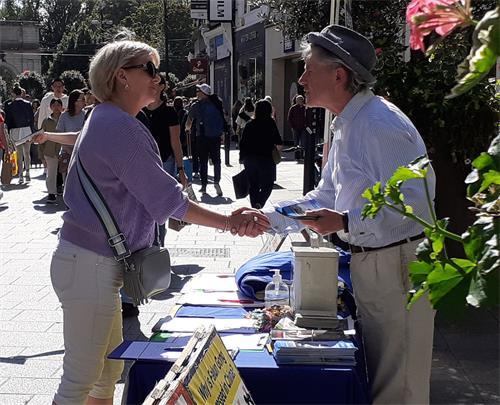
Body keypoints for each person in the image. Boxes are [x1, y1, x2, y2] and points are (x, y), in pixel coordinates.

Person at [34, 39, 268, 405]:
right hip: (90, 265)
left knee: (105, 375)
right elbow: (167, 200)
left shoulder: (106, 117)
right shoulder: (119, 125)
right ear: (122, 76)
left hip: (90, 262)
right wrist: (228, 221)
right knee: (81, 380)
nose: (159, 78)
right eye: (150, 69)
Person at [259, 25, 436, 404]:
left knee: (398, 386)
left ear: (338, 75)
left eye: (308, 69)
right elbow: (325, 196)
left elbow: (417, 203)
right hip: (376, 263)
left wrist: (346, 222)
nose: (301, 79)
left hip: (397, 264)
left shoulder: (377, 123)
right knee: (385, 379)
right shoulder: (350, 122)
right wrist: (270, 218)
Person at [143, 73, 188, 246]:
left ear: (162, 87)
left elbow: (175, 142)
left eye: (156, 82)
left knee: (160, 206)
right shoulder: (139, 110)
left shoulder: (169, 112)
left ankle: (158, 245)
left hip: (165, 162)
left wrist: (181, 169)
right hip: (143, 163)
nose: (152, 84)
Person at [239, 99, 283, 208]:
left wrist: (241, 157)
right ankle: (260, 202)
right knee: (268, 184)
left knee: (253, 185)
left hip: (249, 158)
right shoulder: (270, 123)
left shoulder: (249, 124)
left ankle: (255, 206)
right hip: (266, 158)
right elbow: (278, 141)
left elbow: (243, 142)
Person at [185, 84, 225, 196]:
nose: (197, 93)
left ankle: (203, 186)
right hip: (215, 137)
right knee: (217, 161)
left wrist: (187, 129)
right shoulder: (217, 103)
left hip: (202, 137)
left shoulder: (196, 106)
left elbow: (189, 121)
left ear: (203, 93)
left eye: (198, 91)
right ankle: (216, 182)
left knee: (203, 162)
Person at [4, 86, 34, 184]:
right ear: (21, 93)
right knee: (27, 153)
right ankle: (28, 172)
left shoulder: (9, 105)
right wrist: (32, 131)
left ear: (13, 93)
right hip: (27, 130)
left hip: (15, 131)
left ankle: (21, 175)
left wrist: (8, 133)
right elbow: (31, 119)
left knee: (19, 154)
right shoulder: (28, 104)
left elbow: (8, 121)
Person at [56, 89, 86, 182]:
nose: (85, 101)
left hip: (83, 154)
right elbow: (59, 134)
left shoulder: (86, 115)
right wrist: (69, 150)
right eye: (82, 99)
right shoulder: (64, 116)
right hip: (67, 153)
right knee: (68, 181)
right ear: (75, 102)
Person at [39, 98, 63, 204]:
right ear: (50, 107)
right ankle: (51, 193)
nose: (56, 107)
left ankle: (66, 192)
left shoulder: (65, 118)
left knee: (64, 172)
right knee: (51, 173)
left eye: (58, 105)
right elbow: (41, 138)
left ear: (62, 107)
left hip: (63, 150)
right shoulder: (46, 121)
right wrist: (41, 155)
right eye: (54, 105)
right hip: (50, 151)